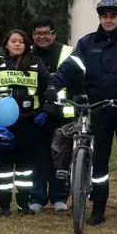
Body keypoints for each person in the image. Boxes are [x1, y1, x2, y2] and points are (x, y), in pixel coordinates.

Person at [45, 0, 117, 226]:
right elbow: (68, 68)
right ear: (100, 18)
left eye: (113, 16)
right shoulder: (86, 44)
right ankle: (98, 210)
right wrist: (54, 86)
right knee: (99, 162)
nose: (109, 19)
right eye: (105, 16)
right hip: (98, 110)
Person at [0, 29, 51, 217]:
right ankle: (4, 206)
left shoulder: (37, 63)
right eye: (13, 41)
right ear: (6, 44)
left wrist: (44, 112)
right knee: (3, 168)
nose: (17, 44)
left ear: (26, 45)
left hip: (29, 122)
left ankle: (23, 205)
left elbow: (49, 91)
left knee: (25, 168)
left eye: (21, 41)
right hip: (3, 125)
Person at [30, 16, 75, 212]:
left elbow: (77, 79)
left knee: (61, 157)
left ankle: (59, 197)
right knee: (39, 158)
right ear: (33, 35)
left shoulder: (68, 52)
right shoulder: (27, 54)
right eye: (38, 33)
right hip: (36, 115)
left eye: (46, 33)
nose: (42, 37)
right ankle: (37, 198)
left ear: (54, 34)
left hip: (63, 114)